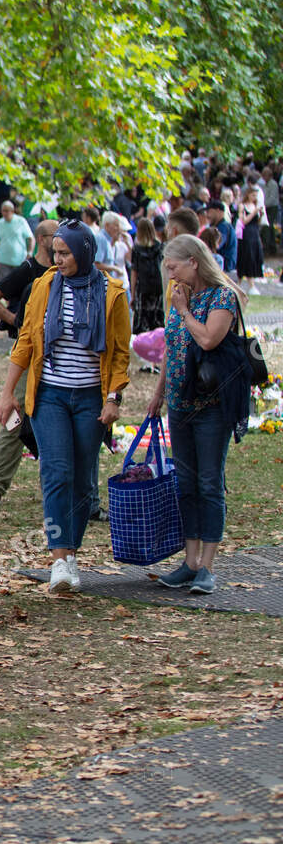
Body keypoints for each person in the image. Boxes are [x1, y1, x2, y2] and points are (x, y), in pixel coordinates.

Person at [0, 222, 130, 594]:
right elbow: (25, 341)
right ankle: (58, 559)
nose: (58, 260)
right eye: (55, 253)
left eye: (66, 253)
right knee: (56, 472)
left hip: (90, 398)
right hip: (50, 395)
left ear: (85, 252)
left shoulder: (112, 293)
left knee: (83, 480)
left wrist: (113, 398)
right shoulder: (44, 286)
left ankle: (71, 553)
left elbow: (120, 353)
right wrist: (8, 392)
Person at [147, 235, 246, 596]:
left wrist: (185, 311)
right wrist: (158, 395)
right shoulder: (179, 298)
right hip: (179, 404)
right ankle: (189, 563)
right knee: (185, 484)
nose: (170, 275)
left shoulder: (222, 298)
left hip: (212, 407)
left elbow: (207, 340)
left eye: (173, 267)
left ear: (193, 261)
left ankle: (207, 566)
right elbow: (171, 349)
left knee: (209, 483)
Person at [0, 219, 59, 506]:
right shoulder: (28, 270)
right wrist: (16, 321)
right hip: (27, 355)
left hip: (60, 358)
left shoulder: (66, 269)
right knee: (14, 415)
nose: (60, 240)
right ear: (41, 238)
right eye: (54, 235)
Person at [130, 215, 165, 338]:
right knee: (157, 321)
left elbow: (134, 272)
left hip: (143, 289)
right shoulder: (160, 247)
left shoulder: (136, 249)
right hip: (158, 288)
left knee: (142, 323)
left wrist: (133, 294)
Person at [0, 200, 33, 284]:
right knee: (4, 286)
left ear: (12, 211)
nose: (5, 213)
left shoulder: (21, 221)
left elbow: (31, 238)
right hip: (3, 261)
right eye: (3, 211)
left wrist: (29, 253)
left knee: (19, 286)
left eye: (7, 211)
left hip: (19, 261)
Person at [235, 187, 265, 294]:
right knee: (246, 256)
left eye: (256, 196)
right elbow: (243, 221)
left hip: (255, 233)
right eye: (253, 195)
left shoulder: (255, 206)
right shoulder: (242, 206)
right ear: (248, 194)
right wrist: (253, 212)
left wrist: (260, 214)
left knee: (255, 256)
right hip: (246, 234)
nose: (254, 197)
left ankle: (249, 282)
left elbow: (258, 221)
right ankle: (241, 282)